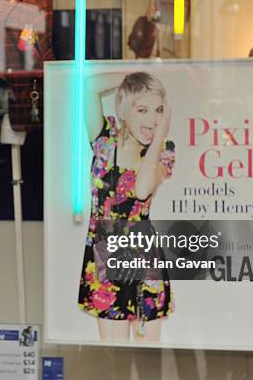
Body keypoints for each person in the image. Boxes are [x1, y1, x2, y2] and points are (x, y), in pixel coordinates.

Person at [78, 72, 175, 342]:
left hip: (144, 257)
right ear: (123, 110)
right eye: (142, 109)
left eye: (158, 110)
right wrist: (136, 76)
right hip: (105, 255)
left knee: (148, 362)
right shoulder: (104, 138)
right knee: (113, 360)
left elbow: (142, 190)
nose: (152, 119)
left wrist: (158, 137)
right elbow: (90, 87)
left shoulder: (163, 151)